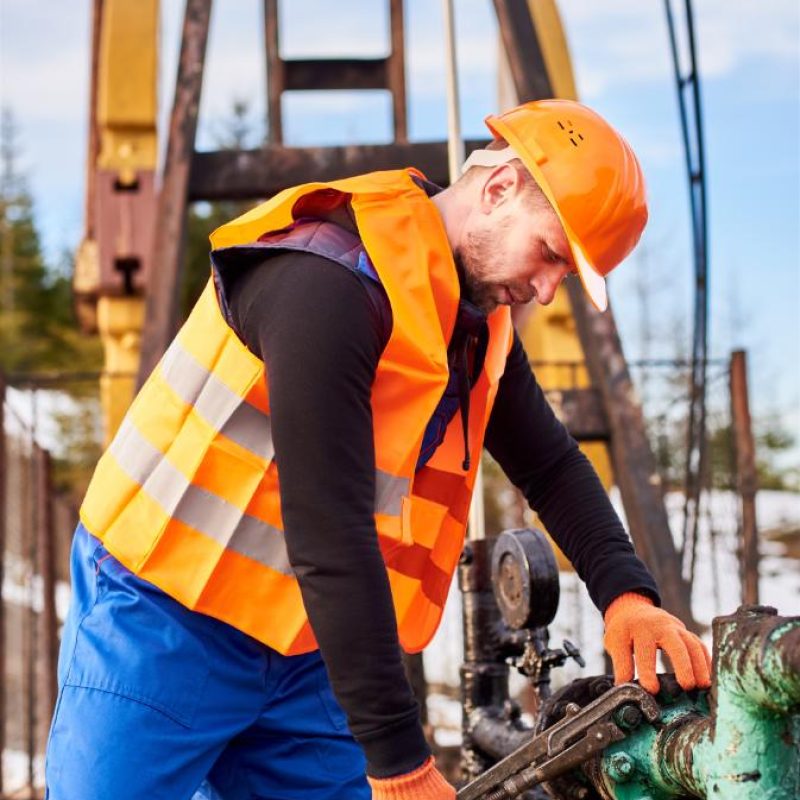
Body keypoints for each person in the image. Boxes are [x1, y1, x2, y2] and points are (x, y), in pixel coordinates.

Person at [45, 99, 711, 800]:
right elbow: (329, 528)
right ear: (500, 187)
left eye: (566, 278)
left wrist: (628, 597)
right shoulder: (325, 281)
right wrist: (400, 763)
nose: (546, 292)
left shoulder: (474, 319)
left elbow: (550, 465)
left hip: (307, 645)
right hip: (165, 616)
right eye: (549, 255)